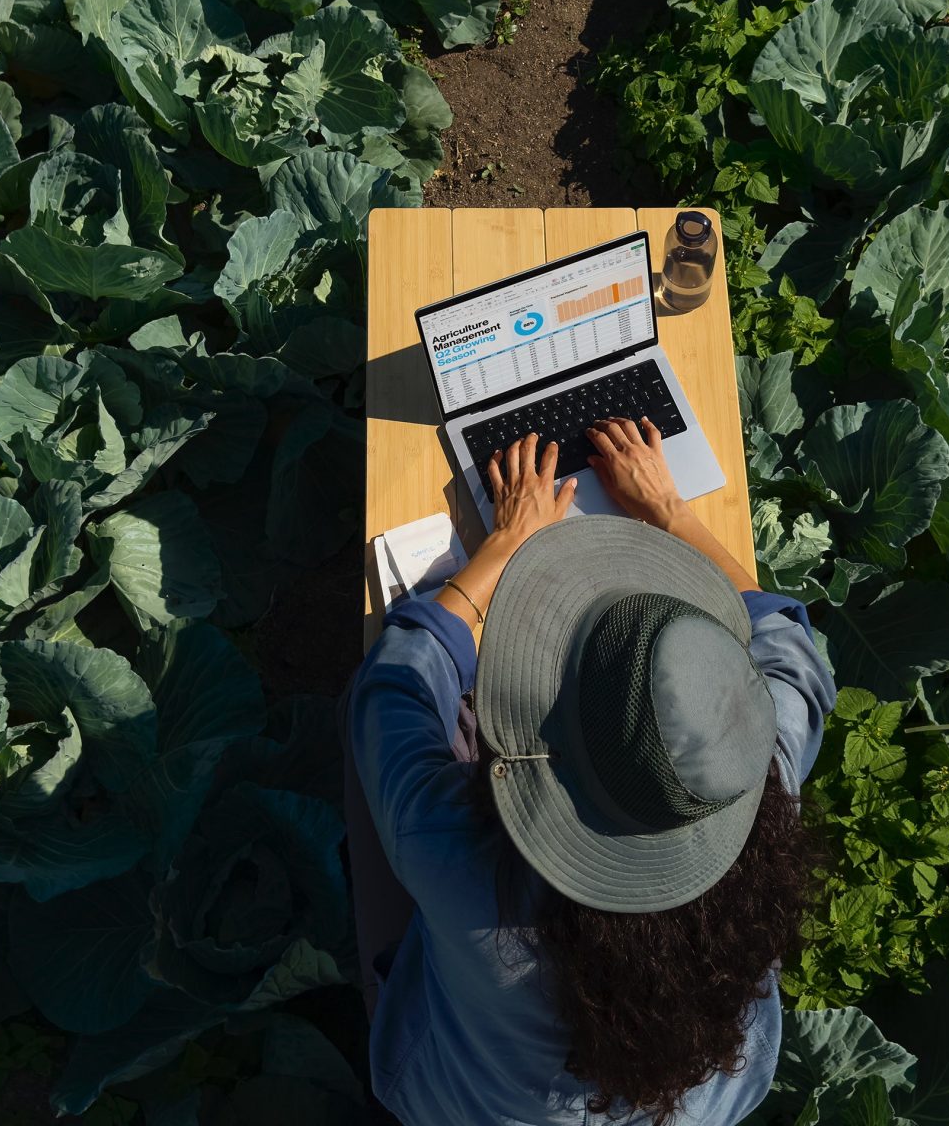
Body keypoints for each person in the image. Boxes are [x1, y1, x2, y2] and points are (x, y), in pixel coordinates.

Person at [347, 416, 838, 1125]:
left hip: (456, 1101)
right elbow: (791, 645)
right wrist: (669, 510)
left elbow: (392, 686)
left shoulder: (459, 860)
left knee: (372, 717)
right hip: (696, 1111)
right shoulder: (746, 781)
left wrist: (505, 547)